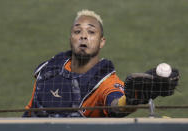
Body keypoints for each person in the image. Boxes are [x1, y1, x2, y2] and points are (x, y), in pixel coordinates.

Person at [23, 9, 179, 117]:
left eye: (91, 32)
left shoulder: (104, 82)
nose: (83, 36)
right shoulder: (50, 68)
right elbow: (30, 110)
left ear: (101, 42)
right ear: (71, 38)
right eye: (77, 31)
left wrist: (133, 98)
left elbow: (117, 106)